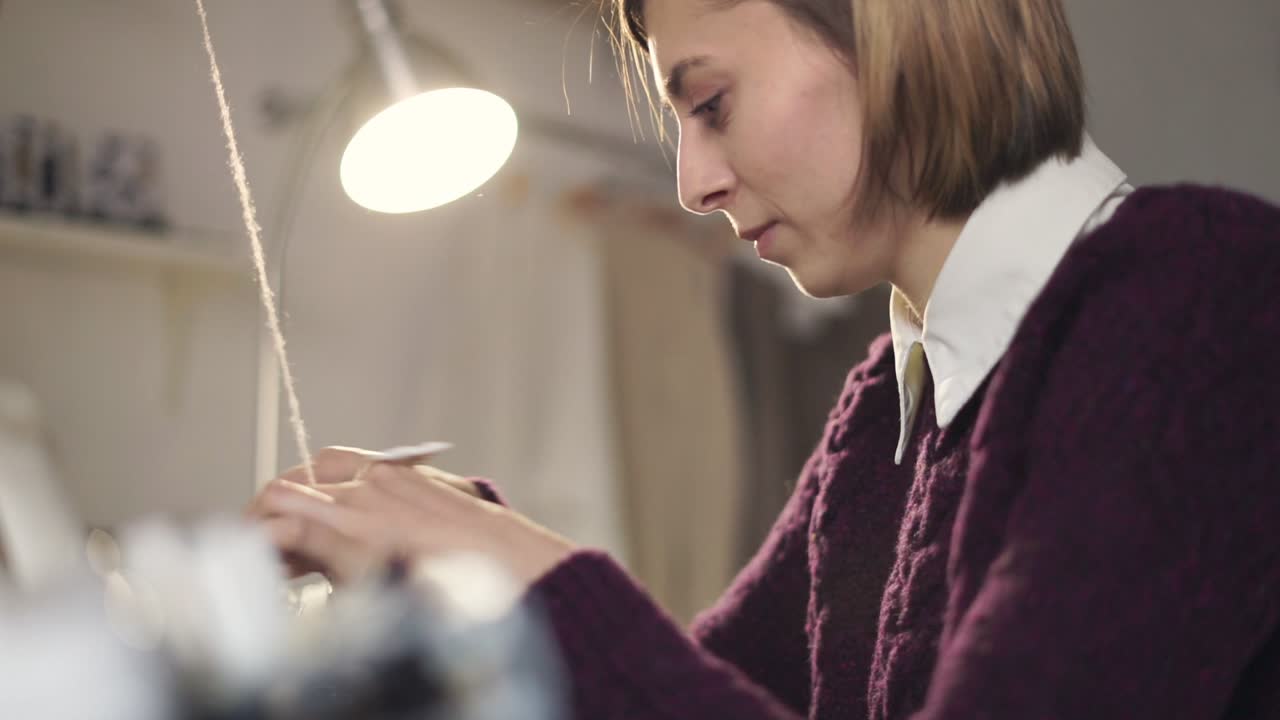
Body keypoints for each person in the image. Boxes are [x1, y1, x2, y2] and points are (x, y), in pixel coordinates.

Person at [248, 0, 1280, 717]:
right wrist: (442, 565)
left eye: (709, 105)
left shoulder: (1206, 294)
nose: (691, 181)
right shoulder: (886, 414)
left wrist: (531, 580)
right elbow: (682, 690)